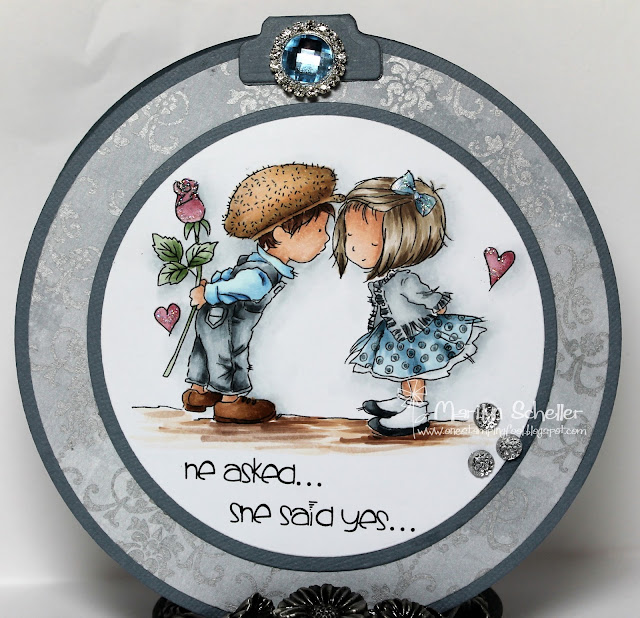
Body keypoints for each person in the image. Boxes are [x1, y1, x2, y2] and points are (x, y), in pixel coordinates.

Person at [183, 163, 343, 423]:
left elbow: (233, 277)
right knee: (230, 354)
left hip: (211, 316)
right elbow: (246, 285)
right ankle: (230, 403)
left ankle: (197, 393)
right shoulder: (262, 274)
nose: (325, 238)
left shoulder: (255, 261)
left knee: (204, 350)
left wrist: (213, 288)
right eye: (318, 230)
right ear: (280, 233)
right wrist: (210, 292)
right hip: (226, 321)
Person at [333, 171, 485, 437]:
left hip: (415, 334)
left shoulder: (404, 279)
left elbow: (424, 296)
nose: (354, 248)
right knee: (403, 367)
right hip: (396, 334)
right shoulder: (386, 278)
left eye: (370, 241)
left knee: (415, 369)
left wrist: (437, 304)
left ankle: (416, 409)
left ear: (404, 241)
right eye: (351, 237)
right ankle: (403, 400)